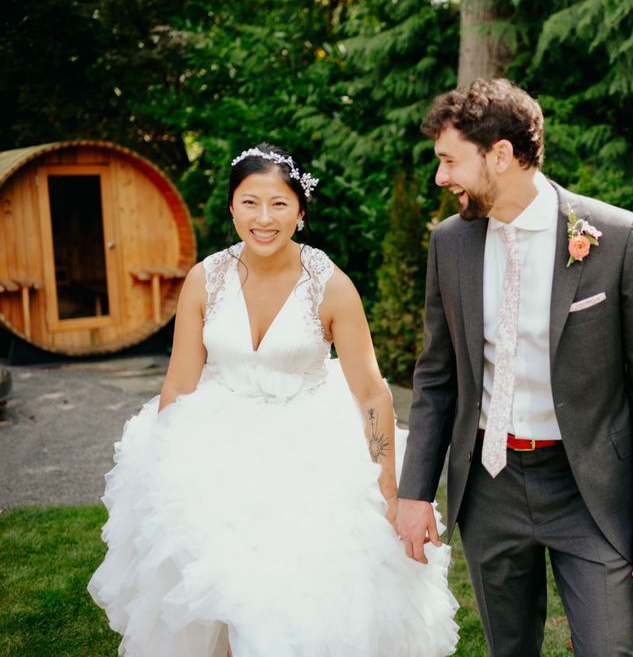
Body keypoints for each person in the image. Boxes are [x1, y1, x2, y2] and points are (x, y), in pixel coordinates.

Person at [88, 143, 459, 657]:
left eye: (279, 204)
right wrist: (165, 466)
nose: (264, 219)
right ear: (232, 209)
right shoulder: (205, 278)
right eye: (250, 203)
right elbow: (178, 383)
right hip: (218, 442)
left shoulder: (331, 287)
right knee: (213, 593)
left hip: (309, 448)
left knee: (293, 602)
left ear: (301, 212)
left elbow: (372, 392)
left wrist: (389, 490)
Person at [396, 79, 633, 656]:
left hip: (588, 488)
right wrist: (414, 492)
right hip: (488, 486)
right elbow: (436, 378)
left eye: (450, 161)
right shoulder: (450, 244)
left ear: (499, 155)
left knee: (608, 649)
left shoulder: (617, 236)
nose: (441, 177)